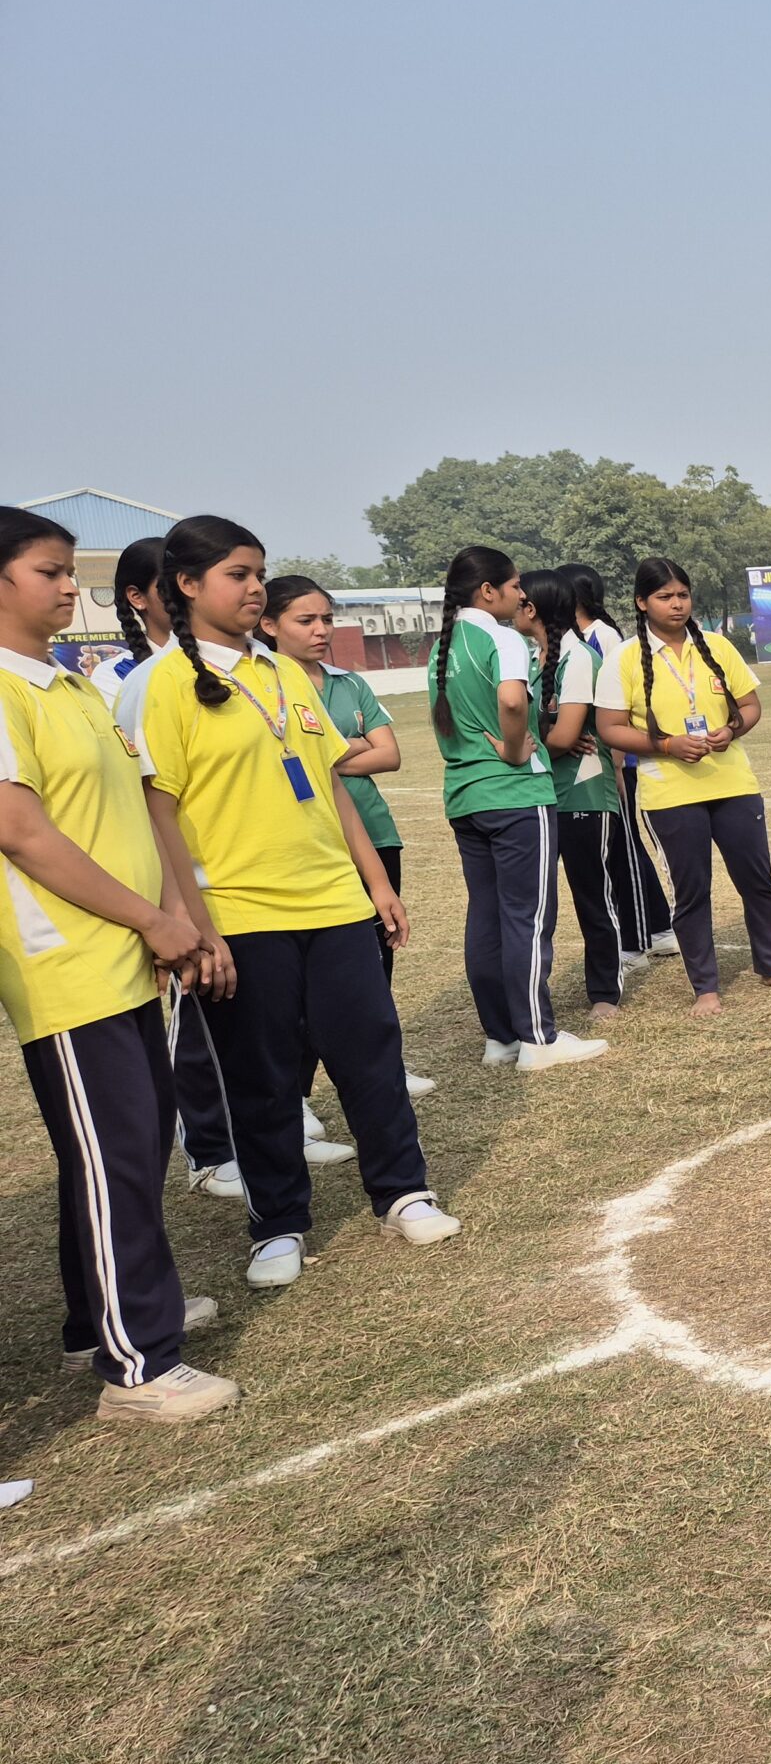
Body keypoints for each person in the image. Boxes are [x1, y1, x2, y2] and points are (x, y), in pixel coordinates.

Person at [139, 515, 460, 1291]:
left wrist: (375, 885)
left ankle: (403, 1191)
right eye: (237, 575)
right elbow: (157, 814)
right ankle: (277, 1223)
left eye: (258, 574)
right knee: (263, 1077)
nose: (254, 589)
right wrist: (194, 928)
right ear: (187, 586)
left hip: (334, 905)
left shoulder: (283, 672)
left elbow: (328, 786)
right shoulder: (160, 686)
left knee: (371, 1054)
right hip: (242, 917)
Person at [0, 508, 238, 1422]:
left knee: (124, 1147)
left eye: (71, 572)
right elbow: (20, 833)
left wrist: (170, 915)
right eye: (49, 571)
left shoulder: (71, 686)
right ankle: (139, 1367)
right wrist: (150, 917)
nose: (71, 587)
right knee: (116, 1156)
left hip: (126, 951)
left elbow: (134, 811)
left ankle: (95, 1321)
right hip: (66, 964)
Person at [99, 536, 249, 1201]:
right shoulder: (124, 681)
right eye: (167, 585)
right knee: (194, 1009)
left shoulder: (223, 667)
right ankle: (210, 1147)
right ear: (141, 597)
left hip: (235, 869)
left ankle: (254, 1125)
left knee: (247, 1012)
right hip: (173, 876)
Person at [593, 557, 771, 1015]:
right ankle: (706, 987)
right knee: (692, 891)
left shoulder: (716, 645)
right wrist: (668, 745)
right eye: (664, 597)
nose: (677, 605)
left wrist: (732, 730)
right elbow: (609, 727)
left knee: (758, 881)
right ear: (642, 602)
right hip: (669, 794)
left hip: (733, 783)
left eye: (683, 595)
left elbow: (750, 706)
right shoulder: (625, 658)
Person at [259, 575, 435, 1117]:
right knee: (309, 982)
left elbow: (391, 754)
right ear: (269, 626)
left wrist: (330, 753)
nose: (320, 631)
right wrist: (352, 746)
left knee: (376, 963)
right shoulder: (269, 689)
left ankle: (381, 1064)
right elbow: (287, 760)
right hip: (317, 844)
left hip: (375, 835)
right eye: (305, 621)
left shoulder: (349, 683)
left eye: (326, 619)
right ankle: (301, 1098)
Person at [429, 548, 606, 1072]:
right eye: (514, 589)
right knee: (527, 917)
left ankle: (501, 1036)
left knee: (485, 916)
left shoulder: (443, 644)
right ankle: (538, 1038)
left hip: (464, 794)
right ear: (488, 591)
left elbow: (444, 717)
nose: (520, 598)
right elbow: (511, 701)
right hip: (514, 795)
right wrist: (510, 749)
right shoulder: (502, 637)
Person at [515, 568, 627, 1025]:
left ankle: (605, 990)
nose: (513, 607)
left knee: (592, 897)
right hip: (541, 794)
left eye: (520, 600)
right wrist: (540, 737)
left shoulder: (577, 658)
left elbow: (561, 738)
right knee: (540, 905)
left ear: (534, 608)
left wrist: (531, 740)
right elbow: (544, 733)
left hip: (583, 794)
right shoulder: (528, 657)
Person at [563, 563, 678, 971]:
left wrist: (614, 761)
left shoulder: (603, 636)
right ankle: (655, 929)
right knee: (617, 851)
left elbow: (621, 702)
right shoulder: (573, 640)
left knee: (625, 848)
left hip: (617, 761)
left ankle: (646, 935)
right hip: (597, 764)